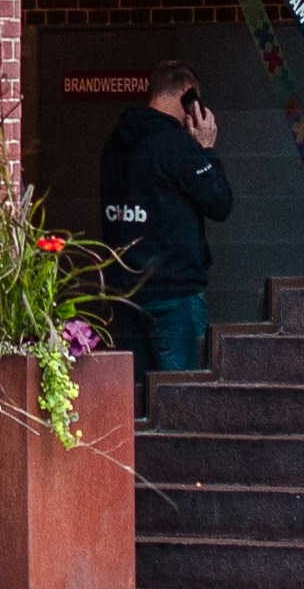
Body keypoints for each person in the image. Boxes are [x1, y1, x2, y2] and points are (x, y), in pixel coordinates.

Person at [97, 61, 233, 377]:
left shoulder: (114, 143)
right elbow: (220, 203)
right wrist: (207, 149)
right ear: (188, 98)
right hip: (175, 296)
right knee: (180, 400)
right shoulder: (177, 145)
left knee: (136, 400)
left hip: (125, 293)